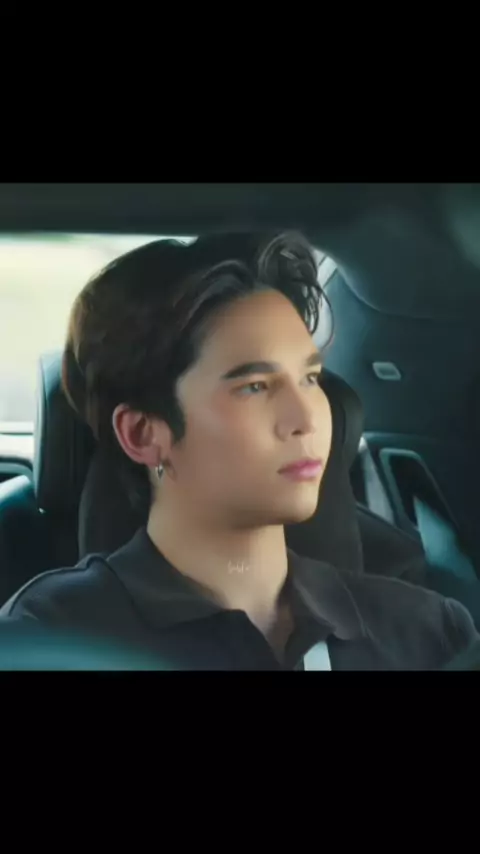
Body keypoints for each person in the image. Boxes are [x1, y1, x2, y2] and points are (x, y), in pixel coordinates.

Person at [1, 232, 478, 670]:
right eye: (254, 386)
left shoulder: (429, 632)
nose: (306, 418)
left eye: (310, 378)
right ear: (144, 434)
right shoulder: (49, 639)